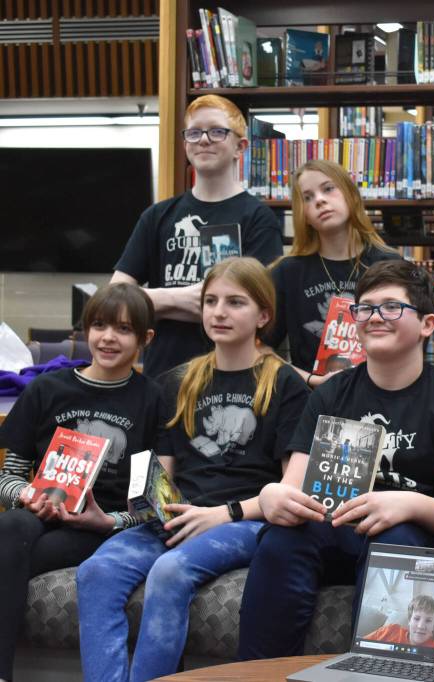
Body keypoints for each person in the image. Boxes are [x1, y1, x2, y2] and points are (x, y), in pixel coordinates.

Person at [236, 260, 434, 660]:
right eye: (365, 308)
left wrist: (405, 504)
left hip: (406, 535)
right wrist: (272, 497)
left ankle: (377, 671)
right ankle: (260, 671)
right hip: (331, 525)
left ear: (427, 324)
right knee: (280, 540)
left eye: (391, 307)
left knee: (394, 542)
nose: (374, 317)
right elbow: (294, 486)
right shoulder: (330, 395)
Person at [75, 258, 308, 682]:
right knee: (97, 570)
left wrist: (220, 514)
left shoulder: (285, 383)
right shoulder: (178, 380)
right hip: (182, 514)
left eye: (235, 302)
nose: (219, 312)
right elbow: (159, 476)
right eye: (211, 301)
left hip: (245, 520)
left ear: (264, 316)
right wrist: (129, 515)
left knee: (170, 570)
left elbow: (289, 491)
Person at [0, 283, 163, 682]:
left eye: (124, 330)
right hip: (39, 512)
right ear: (84, 330)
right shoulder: (46, 389)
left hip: (100, 526)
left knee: (16, 548)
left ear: (146, 339)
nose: (108, 338)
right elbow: (8, 475)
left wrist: (107, 522)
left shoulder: (153, 399)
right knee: (12, 524)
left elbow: (153, 503)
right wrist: (26, 494)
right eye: (99, 325)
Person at [112, 94, 284, 379]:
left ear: (240, 146)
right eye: (194, 132)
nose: (204, 139)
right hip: (163, 377)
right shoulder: (157, 217)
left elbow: (260, 312)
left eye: (217, 131)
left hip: (231, 378)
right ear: (185, 145)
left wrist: (154, 304)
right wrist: (178, 298)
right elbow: (114, 299)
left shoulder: (258, 220)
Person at [266, 159, 401, 385]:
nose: (320, 200)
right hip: (310, 401)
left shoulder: (388, 263)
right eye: (307, 198)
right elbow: (257, 347)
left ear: (351, 194)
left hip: (379, 396)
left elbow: (407, 341)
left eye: (328, 189)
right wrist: (308, 380)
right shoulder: (287, 272)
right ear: (303, 215)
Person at [363, 595, 434, 648]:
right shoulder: (390, 630)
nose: (421, 626)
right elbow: (360, 646)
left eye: (428, 620)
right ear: (409, 621)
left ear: (433, 625)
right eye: (417, 619)